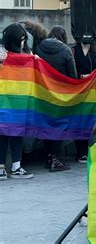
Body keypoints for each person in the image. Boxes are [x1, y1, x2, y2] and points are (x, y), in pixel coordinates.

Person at [36, 26, 77, 171]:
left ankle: (48, 157)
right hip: (60, 94)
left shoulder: (39, 47)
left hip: (43, 93)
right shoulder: (66, 50)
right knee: (59, 126)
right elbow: (73, 75)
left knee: (46, 125)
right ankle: (55, 159)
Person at [0, 23, 34, 179]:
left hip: (19, 100)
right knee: (3, 133)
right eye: (21, 39)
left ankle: (16, 167)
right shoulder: (2, 54)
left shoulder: (26, 53)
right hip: (5, 99)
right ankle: (2, 167)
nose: (23, 42)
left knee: (17, 132)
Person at [72, 39, 96, 163]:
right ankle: (80, 152)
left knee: (89, 119)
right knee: (78, 120)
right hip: (78, 90)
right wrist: (81, 76)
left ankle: (87, 150)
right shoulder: (74, 50)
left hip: (91, 92)